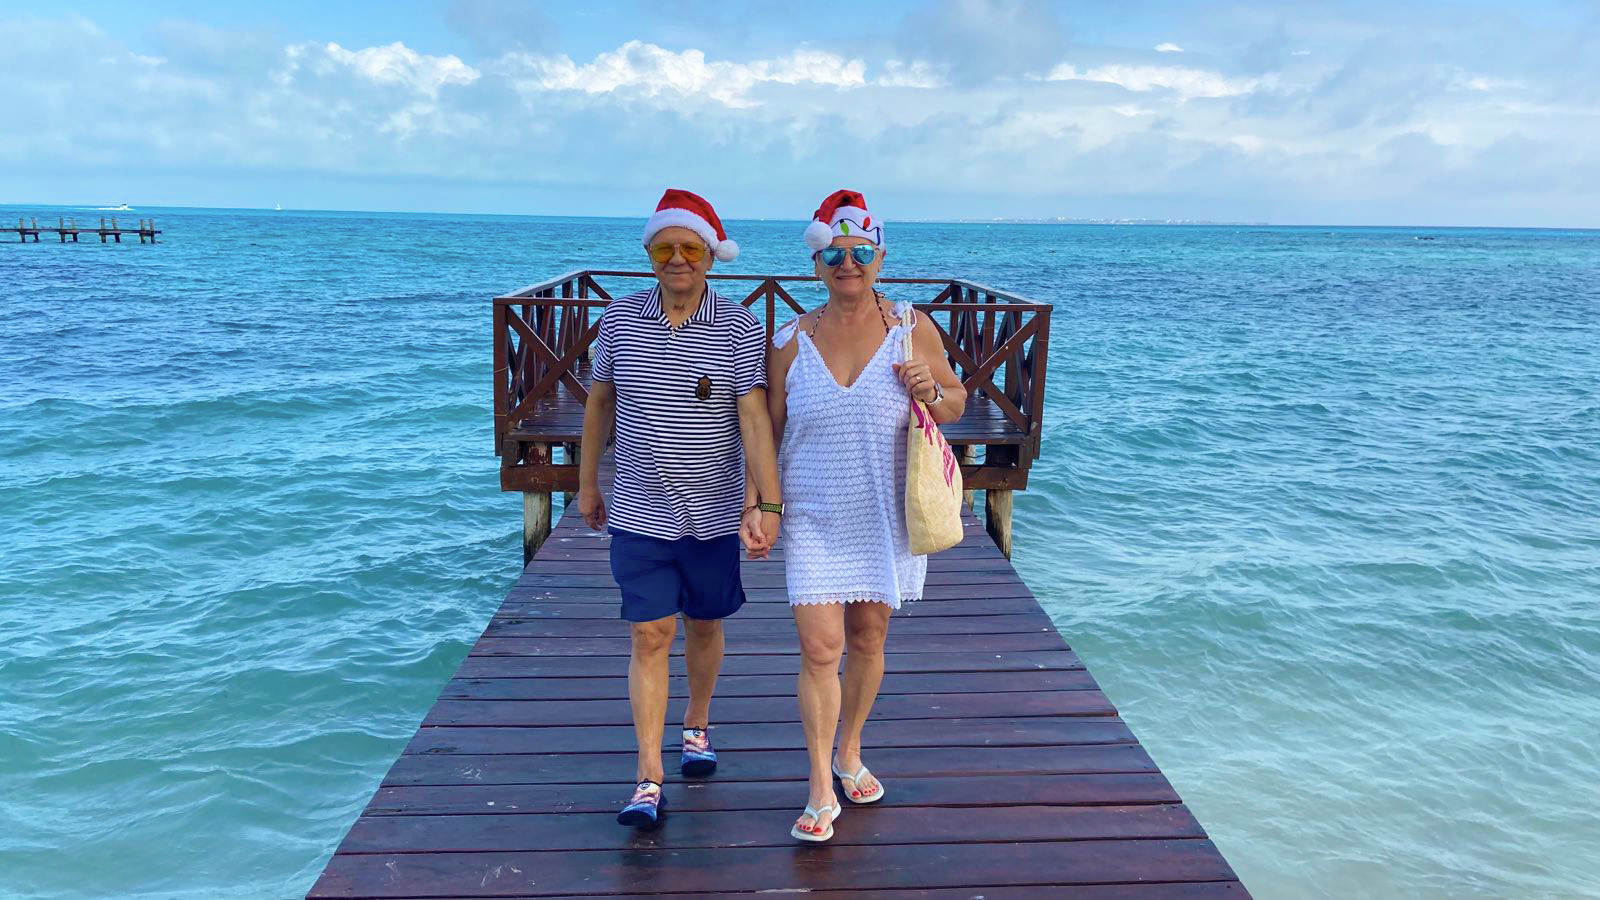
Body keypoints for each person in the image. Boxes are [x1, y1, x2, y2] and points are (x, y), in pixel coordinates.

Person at [759, 190, 967, 841]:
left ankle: (849, 750)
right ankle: (820, 785)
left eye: (860, 252)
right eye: (834, 254)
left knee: (869, 639)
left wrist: (932, 389)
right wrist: (760, 504)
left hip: (883, 512)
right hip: (813, 513)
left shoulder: (912, 328)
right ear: (816, 264)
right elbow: (767, 432)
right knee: (820, 649)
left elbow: (955, 401)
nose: (847, 264)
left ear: (880, 257)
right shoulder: (789, 341)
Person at [576, 189, 783, 829]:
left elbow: (754, 421)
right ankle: (648, 776)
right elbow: (599, 405)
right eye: (664, 248)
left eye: (690, 247)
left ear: (711, 256)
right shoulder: (618, 319)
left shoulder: (739, 327)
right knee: (649, 633)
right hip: (638, 510)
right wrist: (587, 483)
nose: (677, 259)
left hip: (713, 513)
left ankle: (696, 724)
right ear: (649, 254)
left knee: (704, 624)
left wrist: (767, 502)